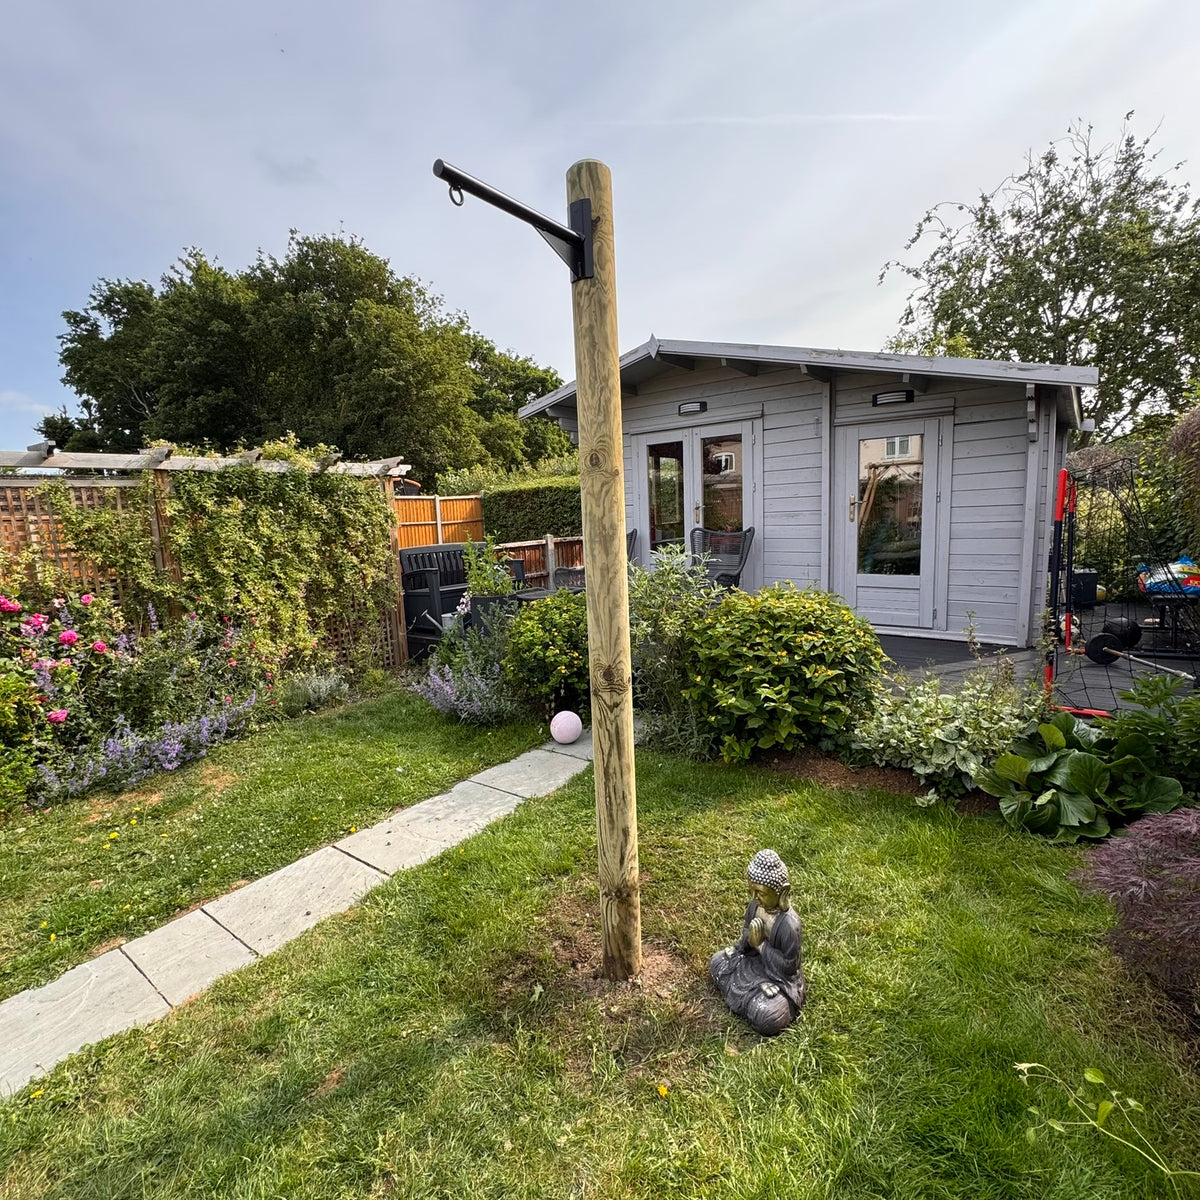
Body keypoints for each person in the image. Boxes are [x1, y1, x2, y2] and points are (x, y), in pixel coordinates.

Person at [708, 848, 806, 1036]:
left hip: (780, 981)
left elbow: (789, 967)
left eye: (761, 893)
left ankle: (759, 1001)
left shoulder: (789, 924)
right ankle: (752, 995)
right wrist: (747, 942)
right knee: (717, 962)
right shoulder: (755, 906)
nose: (755, 898)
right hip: (752, 964)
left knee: (768, 1016)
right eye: (752, 891)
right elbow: (746, 938)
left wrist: (761, 945)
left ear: (782, 892)